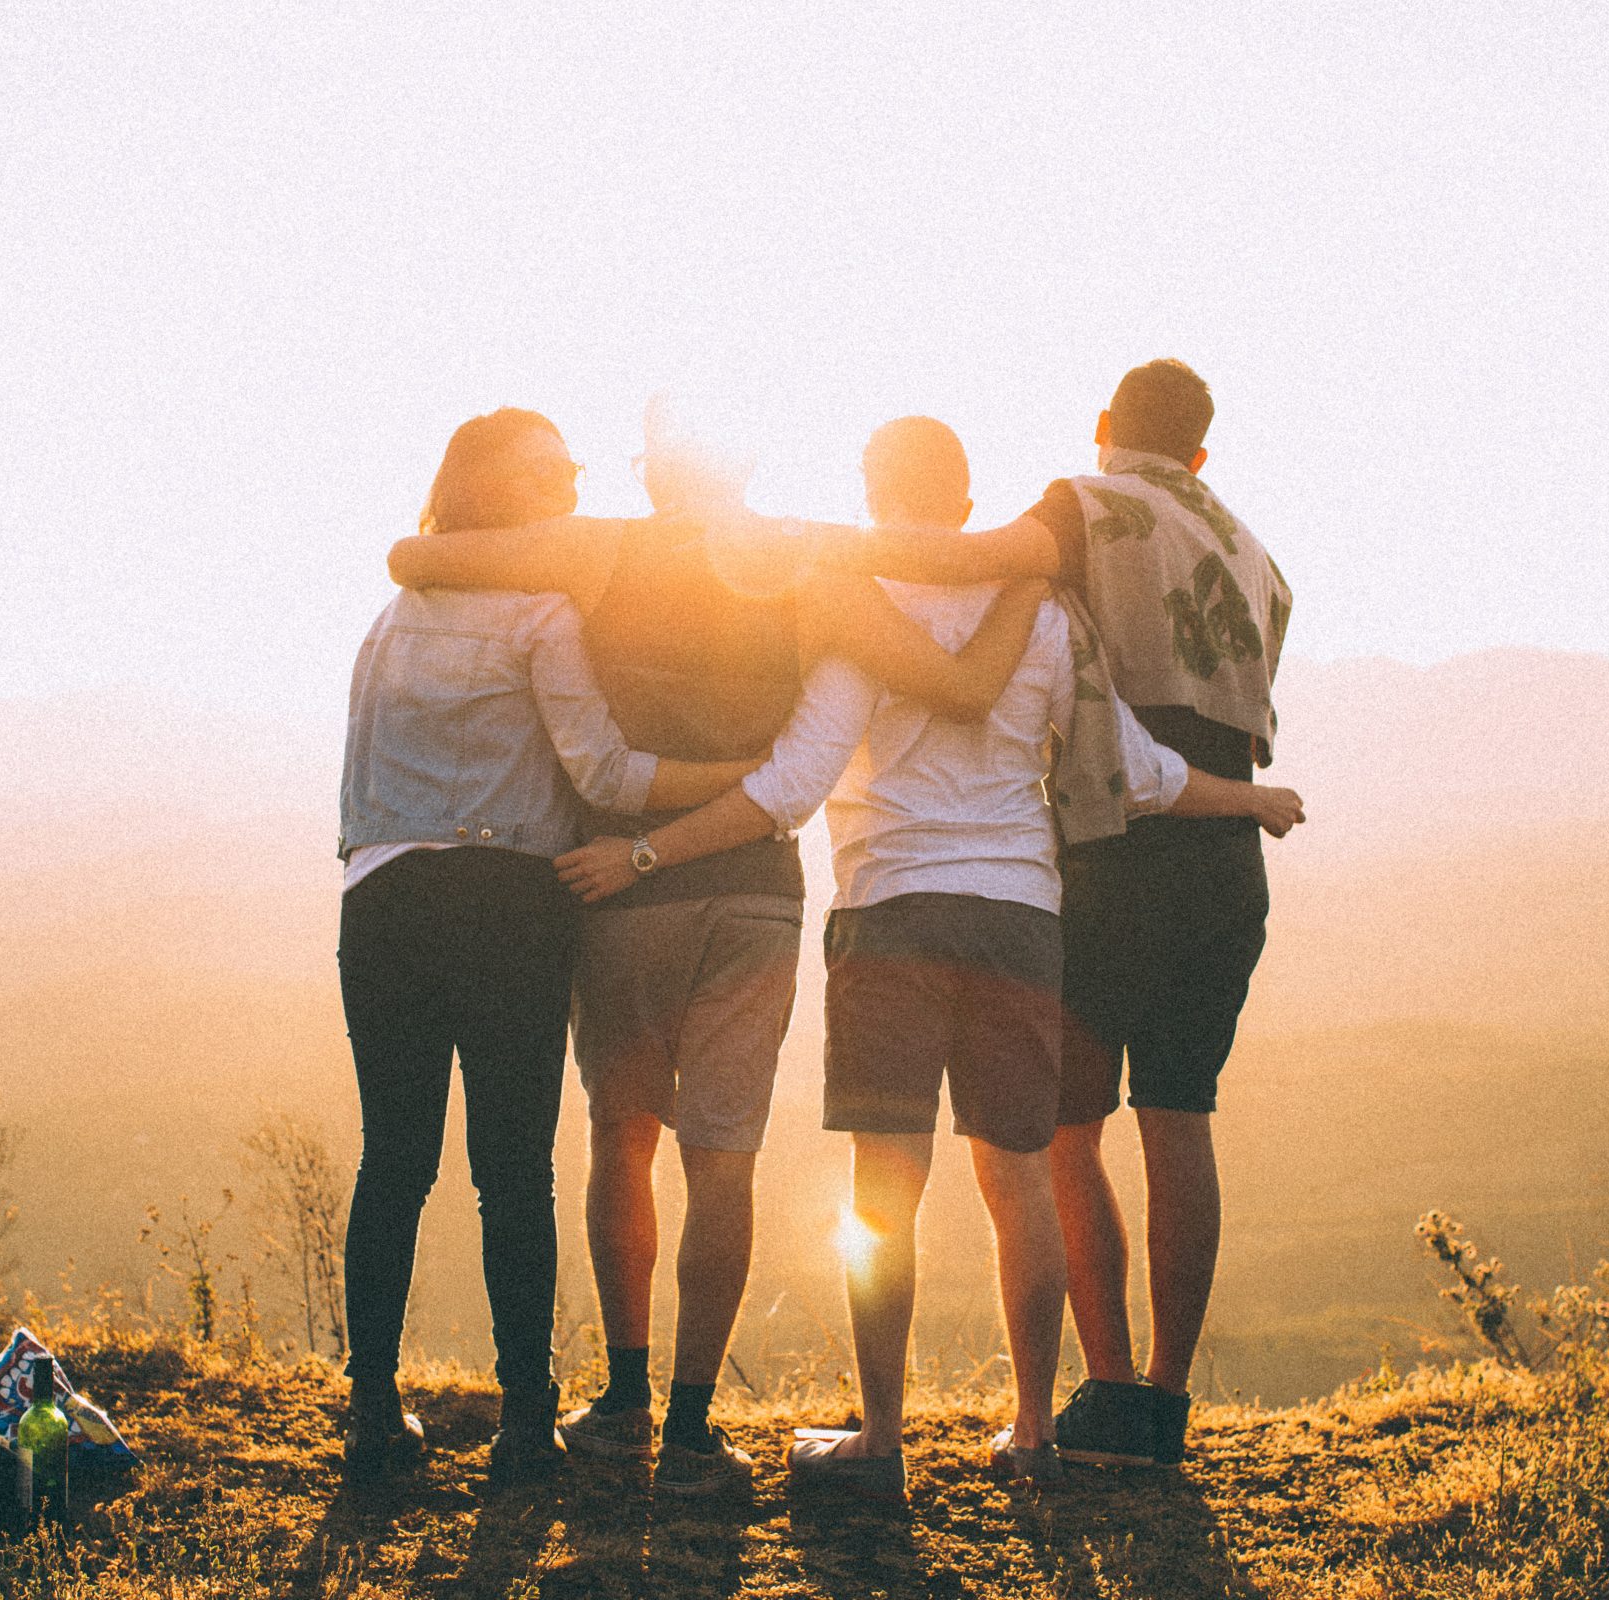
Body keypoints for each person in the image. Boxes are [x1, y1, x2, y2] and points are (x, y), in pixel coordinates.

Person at [555, 417, 1303, 1497]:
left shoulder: (859, 608)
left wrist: (646, 850)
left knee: (883, 1192)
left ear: (870, 493)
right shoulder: (1044, 613)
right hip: (1019, 921)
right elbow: (1135, 770)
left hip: (890, 913)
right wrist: (1250, 798)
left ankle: (882, 1438)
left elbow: (792, 785)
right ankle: (1035, 1431)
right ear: (965, 504)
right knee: (1019, 1183)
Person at [384, 397, 1044, 1496]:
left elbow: (421, 557)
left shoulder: (597, 552)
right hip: (754, 894)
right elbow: (951, 679)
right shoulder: (806, 564)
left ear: (652, 475)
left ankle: (625, 1396)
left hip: (620, 884)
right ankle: (693, 1425)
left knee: (622, 1133)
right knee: (722, 1157)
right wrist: (1029, 573)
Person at [816, 362, 1294, 1468]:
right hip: (1222, 852)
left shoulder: (1086, 504)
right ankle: (1160, 1406)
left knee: (1060, 1135)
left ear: (1102, 427)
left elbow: (972, 563)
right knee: (1181, 1116)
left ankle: (1104, 1391)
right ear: (1203, 452)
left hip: (1115, 847)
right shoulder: (1256, 554)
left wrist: (808, 547)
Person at [334, 407, 769, 1484]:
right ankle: (527, 1419)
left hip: (381, 898)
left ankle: (371, 1410)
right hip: (508, 905)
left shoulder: (391, 617)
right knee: (512, 1171)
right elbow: (607, 777)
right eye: (555, 472)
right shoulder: (540, 614)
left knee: (393, 1160)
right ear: (508, 493)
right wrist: (744, 781)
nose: (573, 487)